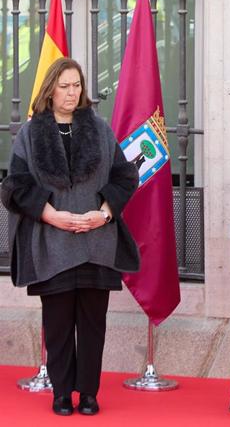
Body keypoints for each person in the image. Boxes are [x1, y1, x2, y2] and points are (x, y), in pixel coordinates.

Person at [0, 57, 140, 416]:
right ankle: (62, 393)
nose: (71, 92)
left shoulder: (100, 128)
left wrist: (104, 213)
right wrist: (52, 215)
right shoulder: (30, 134)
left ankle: (89, 393)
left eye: (76, 85)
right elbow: (14, 186)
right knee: (58, 324)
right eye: (64, 85)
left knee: (93, 324)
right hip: (53, 245)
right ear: (50, 89)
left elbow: (125, 177)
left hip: (97, 243)